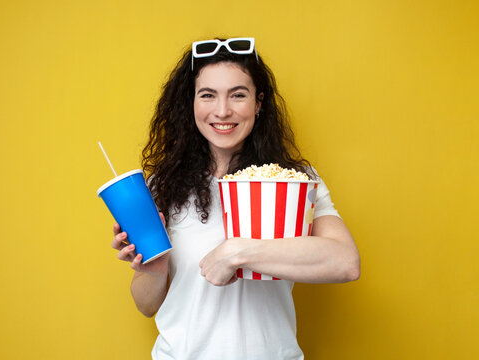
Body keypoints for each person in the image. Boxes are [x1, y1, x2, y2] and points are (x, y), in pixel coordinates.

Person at [110, 37, 360, 359]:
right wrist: (154, 270)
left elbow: (345, 262)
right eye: (208, 95)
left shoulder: (296, 181)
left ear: (258, 103)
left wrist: (237, 252)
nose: (223, 111)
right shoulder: (163, 186)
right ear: (191, 104)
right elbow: (146, 306)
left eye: (238, 95)